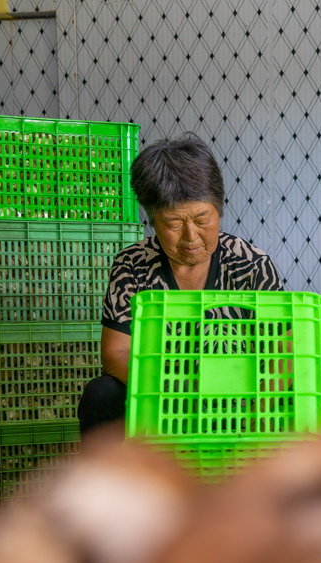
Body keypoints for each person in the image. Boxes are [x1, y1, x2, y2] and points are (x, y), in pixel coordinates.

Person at [78, 134, 284, 435]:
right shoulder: (132, 264)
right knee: (102, 394)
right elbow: (116, 352)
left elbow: (284, 348)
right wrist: (170, 396)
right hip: (157, 397)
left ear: (219, 209)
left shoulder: (250, 263)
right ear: (152, 220)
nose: (190, 237)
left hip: (237, 399)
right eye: (174, 224)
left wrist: (259, 404)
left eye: (202, 220)